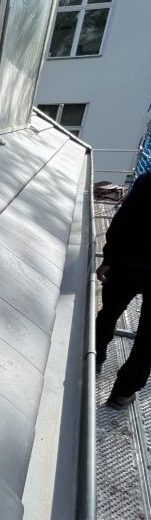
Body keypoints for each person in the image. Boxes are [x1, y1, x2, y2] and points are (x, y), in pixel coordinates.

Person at [96, 169, 151, 409]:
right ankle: (123, 392)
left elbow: (124, 220)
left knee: (108, 314)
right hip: (130, 264)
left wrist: (108, 258)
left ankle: (94, 358)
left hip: (128, 264)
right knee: (148, 340)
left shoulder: (148, 179)